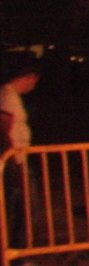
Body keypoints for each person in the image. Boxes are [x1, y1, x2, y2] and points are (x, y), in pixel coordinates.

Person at [0, 54, 36, 252]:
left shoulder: (11, 96)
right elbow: (4, 130)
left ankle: (18, 253)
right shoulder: (6, 96)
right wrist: (13, 162)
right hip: (13, 161)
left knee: (23, 209)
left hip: (16, 160)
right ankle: (16, 255)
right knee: (22, 209)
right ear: (29, 77)